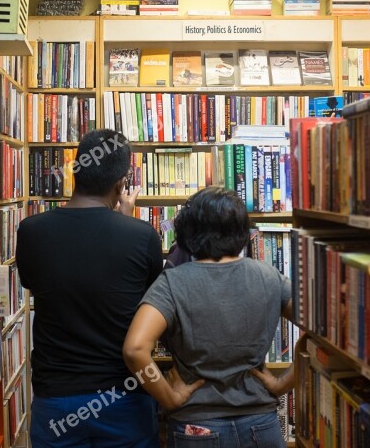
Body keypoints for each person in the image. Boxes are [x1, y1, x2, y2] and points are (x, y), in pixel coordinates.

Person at [16, 129, 164, 447]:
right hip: (124, 396)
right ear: (121, 183)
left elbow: (35, 282)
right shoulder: (143, 236)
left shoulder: (31, 231)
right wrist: (125, 219)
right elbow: (149, 301)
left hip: (56, 398)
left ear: (76, 171)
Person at [123, 186, 298, 448]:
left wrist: (169, 398)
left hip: (197, 427)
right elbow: (321, 329)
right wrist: (284, 383)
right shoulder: (269, 276)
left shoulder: (173, 282)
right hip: (262, 425)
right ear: (241, 231)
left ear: (187, 232)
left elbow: (135, 349)